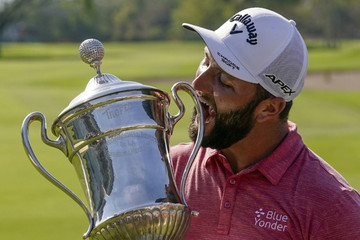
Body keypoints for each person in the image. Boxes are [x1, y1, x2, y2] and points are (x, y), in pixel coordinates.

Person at [170, 7, 360, 239]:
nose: (198, 83)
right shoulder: (172, 167)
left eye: (224, 81)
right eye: (206, 60)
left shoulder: (332, 207)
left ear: (269, 108)